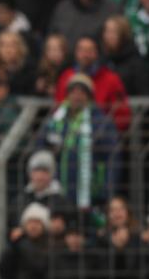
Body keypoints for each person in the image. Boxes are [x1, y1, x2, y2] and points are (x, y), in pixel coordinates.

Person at [40, 73, 120, 210]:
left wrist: (107, 189)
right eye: (73, 91)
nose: (77, 96)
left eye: (82, 92)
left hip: (90, 190)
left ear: (89, 96)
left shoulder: (100, 122)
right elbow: (41, 147)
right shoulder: (55, 120)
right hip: (56, 188)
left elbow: (112, 157)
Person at [55, 36, 130, 132]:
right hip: (68, 132)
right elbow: (58, 107)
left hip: (101, 135)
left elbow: (122, 114)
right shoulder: (66, 76)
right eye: (81, 50)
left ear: (97, 53)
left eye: (89, 50)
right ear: (75, 53)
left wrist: (106, 130)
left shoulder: (111, 79)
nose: (85, 55)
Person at [102, 15, 149, 96]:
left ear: (123, 35)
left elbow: (143, 95)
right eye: (107, 31)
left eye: (113, 32)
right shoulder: (102, 60)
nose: (108, 36)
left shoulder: (136, 63)